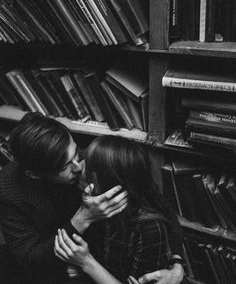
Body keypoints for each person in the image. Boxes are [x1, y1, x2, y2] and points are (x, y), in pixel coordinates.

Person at [0, 112, 183, 284]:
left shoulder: (82, 157)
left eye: (76, 153)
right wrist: (83, 217)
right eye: (65, 167)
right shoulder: (9, 190)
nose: (79, 167)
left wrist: (177, 263)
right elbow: (31, 259)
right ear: (35, 175)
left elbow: (157, 207)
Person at [55, 135, 185, 284]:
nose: (79, 167)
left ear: (104, 181)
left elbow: (167, 215)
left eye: (88, 165)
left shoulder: (147, 229)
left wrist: (86, 263)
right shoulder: (85, 195)